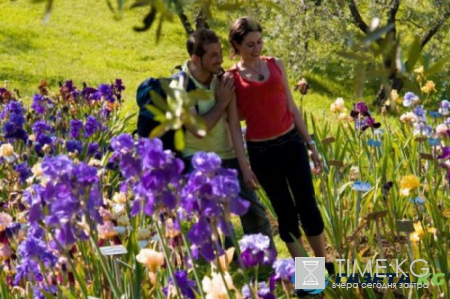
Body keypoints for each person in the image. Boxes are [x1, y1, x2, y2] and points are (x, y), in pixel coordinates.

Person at [226, 16, 333, 275]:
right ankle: (311, 280)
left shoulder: (276, 65)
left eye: (259, 42)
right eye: (250, 44)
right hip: (262, 154)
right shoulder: (230, 79)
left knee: (307, 206)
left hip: (292, 144)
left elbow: (293, 108)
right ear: (236, 45)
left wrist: (311, 145)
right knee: (286, 214)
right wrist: (245, 167)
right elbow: (233, 127)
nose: (257, 48)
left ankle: (322, 267)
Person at [180, 28, 275, 250]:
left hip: (230, 155)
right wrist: (221, 102)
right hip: (199, 160)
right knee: (214, 218)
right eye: (213, 55)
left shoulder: (222, 79)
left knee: (256, 213)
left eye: (221, 53)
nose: (220, 59)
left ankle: (266, 262)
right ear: (196, 58)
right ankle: (222, 266)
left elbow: (234, 122)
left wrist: (245, 165)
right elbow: (199, 129)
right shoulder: (181, 86)